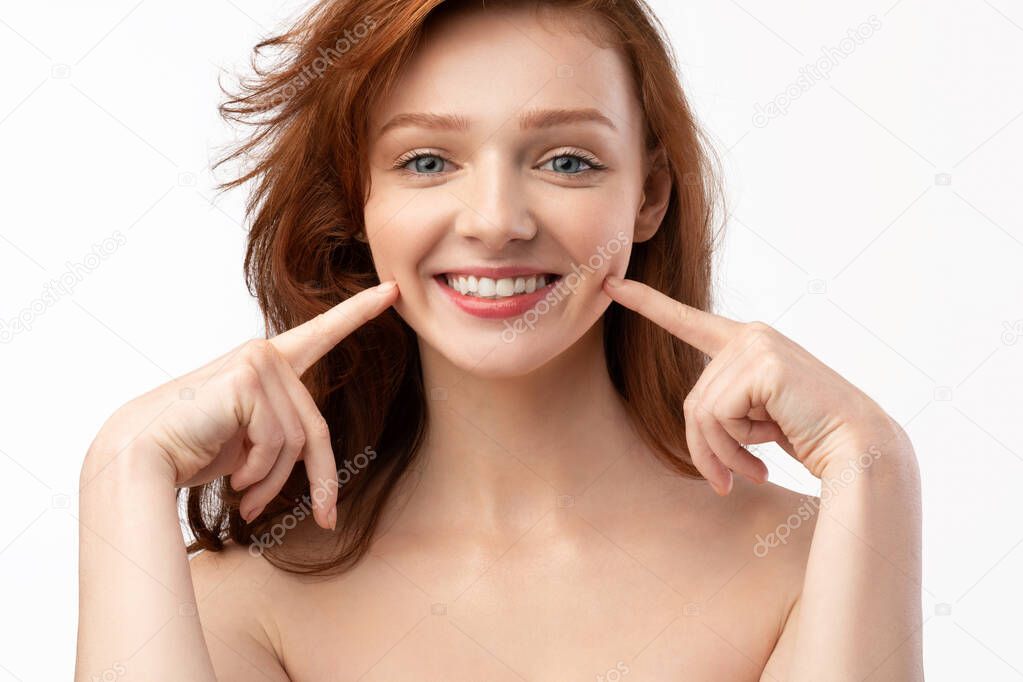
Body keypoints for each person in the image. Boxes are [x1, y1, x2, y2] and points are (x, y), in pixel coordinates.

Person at [75, 1, 923, 679]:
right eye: (425, 162)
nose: (495, 223)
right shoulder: (238, 601)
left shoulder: (811, 562)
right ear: (360, 204)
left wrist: (871, 455)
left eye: (564, 161)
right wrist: (122, 466)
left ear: (649, 195)